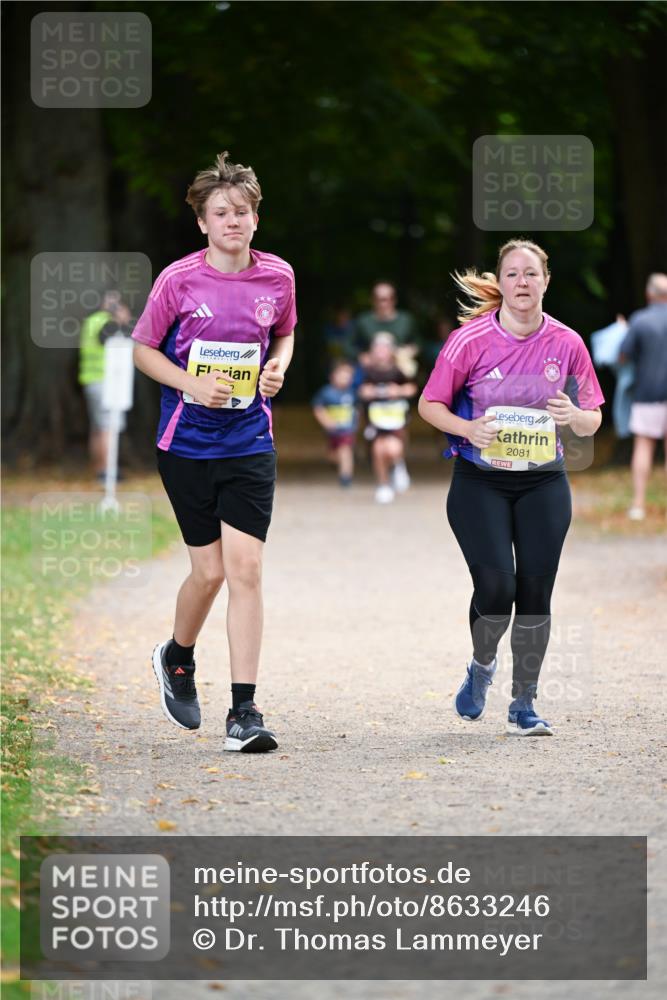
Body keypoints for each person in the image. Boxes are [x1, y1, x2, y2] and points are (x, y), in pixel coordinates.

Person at [132, 151, 296, 753]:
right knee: (208, 573)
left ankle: (244, 712)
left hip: (251, 441)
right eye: (220, 212)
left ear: (256, 218)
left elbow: (284, 331)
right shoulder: (178, 280)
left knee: (245, 570)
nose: (233, 220)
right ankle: (176, 656)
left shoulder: (278, 276)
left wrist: (278, 365)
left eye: (242, 211)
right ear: (202, 221)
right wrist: (190, 383)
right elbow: (143, 349)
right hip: (187, 443)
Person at [418, 239, 604, 736]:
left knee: (536, 590)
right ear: (500, 284)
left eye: (531, 274)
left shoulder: (567, 343)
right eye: (513, 275)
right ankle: (481, 667)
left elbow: (593, 420)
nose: (522, 283)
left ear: (546, 281)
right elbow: (430, 404)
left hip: (544, 481)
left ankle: (524, 703)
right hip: (480, 481)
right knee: (498, 588)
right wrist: (468, 429)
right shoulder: (470, 340)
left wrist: (575, 414)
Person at [619, 273, 667, 521]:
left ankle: (638, 505)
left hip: (647, 393)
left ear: (650, 294)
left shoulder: (640, 320)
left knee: (644, 447)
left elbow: (622, 356)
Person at [78, 291, 132, 480]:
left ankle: (99, 469)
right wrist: (121, 321)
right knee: (109, 426)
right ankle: (108, 472)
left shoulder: (91, 320)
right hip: (105, 382)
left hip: (91, 380)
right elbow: (107, 339)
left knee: (98, 428)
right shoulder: (105, 322)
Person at [359, 332, 417, 503]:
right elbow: (360, 390)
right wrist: (371, 392)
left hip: (397, 417)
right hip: (375, 418)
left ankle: (398, 465)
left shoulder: (401, 369)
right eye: (377, 347)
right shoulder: (367, 370)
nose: (381, 351)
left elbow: (413, 389)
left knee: (393, 449)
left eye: (384, 347)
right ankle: (383, 484)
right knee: (378, 450)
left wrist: (397, 391)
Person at [348, 282, 420, 376]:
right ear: (372, 300)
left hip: (399, 372)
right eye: (379, 299)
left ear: (394, 300)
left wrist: (412, 350)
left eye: (387, 299)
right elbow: (348, 344)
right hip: (370, 372)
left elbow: (419, 342)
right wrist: (360, 356)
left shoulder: (406, 320)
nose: (383, 303)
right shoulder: (363, 321)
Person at [312, 359, 358, 487]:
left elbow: (358, 410)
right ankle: (343, 463)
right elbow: (318, 409)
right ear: (332, 376)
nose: (345, 378)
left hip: (347, 431)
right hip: (332, 432)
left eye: (348, 376)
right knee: (332, 455)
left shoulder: (352, 393)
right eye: (342, 375)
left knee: (345, 450)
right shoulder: (326, 392)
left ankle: (345, 477)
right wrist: (326, 422)